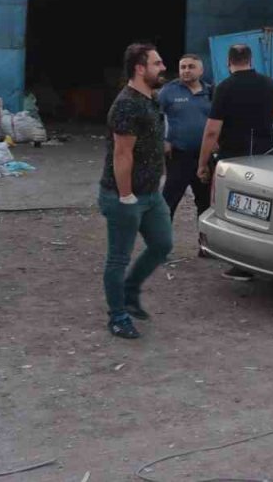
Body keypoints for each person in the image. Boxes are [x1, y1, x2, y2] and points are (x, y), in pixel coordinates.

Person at [98, 43, 173, 340]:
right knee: (118, 258)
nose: (163, 67)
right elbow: (122, 154)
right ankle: (118, 316)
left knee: (162, 244)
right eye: (157, 63)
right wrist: (126, 195)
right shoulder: (127, 104)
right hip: (124, 197)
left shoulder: (151, 99)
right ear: (140, 69)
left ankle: (129, 291)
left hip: (152, 194)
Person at [197, 43, 273, 281]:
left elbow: (212, 131)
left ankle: (241, 263)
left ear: (228, 62)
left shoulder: (224, 88)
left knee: (235, 212)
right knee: (263, 211)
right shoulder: (268, 83)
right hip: (265, 156)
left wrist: (202, 163)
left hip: (234, 159)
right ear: (251, 60)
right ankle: (264, 260)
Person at [158, 54, 213, 220]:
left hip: (204, 158)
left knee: (205, 204)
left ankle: (204, 244)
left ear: (201, 70)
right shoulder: (168, 91)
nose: (186, 70)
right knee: (168, 202)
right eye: (183, 67)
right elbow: (153, 118)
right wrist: (163, 140)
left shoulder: (211, 92)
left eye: (191, 67)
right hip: (178, 155)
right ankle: (161, 243)